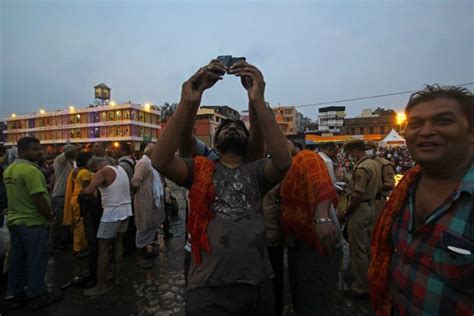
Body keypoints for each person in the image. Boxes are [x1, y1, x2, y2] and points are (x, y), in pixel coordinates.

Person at [152, 59, 291, 315]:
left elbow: (283, 161)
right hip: (208, 288)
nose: (231, 127)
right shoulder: (200, 170)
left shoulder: (257, 171)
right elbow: (160, 159)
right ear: (214, 145)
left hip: (256, 284)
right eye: (225, 126)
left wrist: (258, 100)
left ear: (249, 143)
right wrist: (188, 101)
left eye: (239, 126)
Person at [369, 85, 474, 315]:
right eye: (415, 124)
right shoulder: (404, 191)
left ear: (471, 132)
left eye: (443, 121)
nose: (426, 131)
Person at [280, 141, 341, 315]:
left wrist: (321, 218)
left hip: (317, 240)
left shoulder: (305, 157)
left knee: (315, 298)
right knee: (303, 295)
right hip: (298, 242)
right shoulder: (284, 167)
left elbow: (321, 184)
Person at [3, 137, 61, 309]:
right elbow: (38, 198)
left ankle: (16, 293)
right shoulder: (31, 171)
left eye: (39, 148)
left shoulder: (9, 170)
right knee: (37, 259)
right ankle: (37, 294)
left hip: (15, 221)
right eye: (34, 149)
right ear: (22, 151)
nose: (40, 152)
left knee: (17, 260)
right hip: (33, 223)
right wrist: (50, 216)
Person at [80, 157, 133, 296]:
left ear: (95, 166)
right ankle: (116, 278)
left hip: (112, 213)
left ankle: (100, 286)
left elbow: (89, 191)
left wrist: (83, 188)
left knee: (103, 247)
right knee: (119, 243)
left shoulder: (103, 172)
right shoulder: (120, 169)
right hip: (126, 210)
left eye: (93, 170)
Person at [342, 138, 381, 298]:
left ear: (354, 151)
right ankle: (371, 280)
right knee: (368, 247)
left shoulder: (362, 167)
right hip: (372, 206)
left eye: (349, 153)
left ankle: (360, 286)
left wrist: (347, 211)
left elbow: (358, 195)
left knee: (358, 249)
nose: (349, 156)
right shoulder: (374, 163)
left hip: (360, 208)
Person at [131, 143, 165, 268]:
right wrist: (138, 195)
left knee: (151, 225)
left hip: (151, 202)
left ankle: (147, 252)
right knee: (142, 228)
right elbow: (135, 182)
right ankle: (141, 257)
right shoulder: (143, 163)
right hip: (144, 201)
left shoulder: (151, 163)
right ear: (151, 153)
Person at [63, 152, 91, 256]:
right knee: (81, 224)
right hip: (81, 200)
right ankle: (81, 248)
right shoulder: (84, 172)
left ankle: (77, 247)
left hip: (75, 199)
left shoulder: (75, 170)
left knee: (77, 223)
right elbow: (87, 189)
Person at [51, 144, 77, 248]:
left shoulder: (72, 163)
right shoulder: (59, 159)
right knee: (59, 220)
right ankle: (58, 242)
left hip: (69, 195)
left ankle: (66, 239)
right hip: (60, 194)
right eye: (73, 152)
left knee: (67, 219)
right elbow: (68, 153)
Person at [365, 141, 395, 218]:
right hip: (364, 202)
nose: (366, 151)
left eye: (368, 149)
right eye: (364, 149)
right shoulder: (363, 163)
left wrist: (372, 187)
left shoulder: (384, 164)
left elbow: (390, 184)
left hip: (377, 201)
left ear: (375, 150)